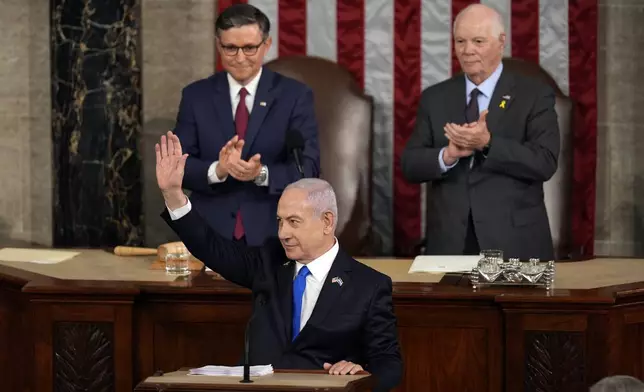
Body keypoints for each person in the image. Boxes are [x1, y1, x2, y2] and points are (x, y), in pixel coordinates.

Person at [155, 131, 403, 391]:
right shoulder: (269, 261)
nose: (283, 233)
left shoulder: (368, 286)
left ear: (327, 222)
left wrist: (361, 373)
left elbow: (389, 363)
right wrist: (174, 194)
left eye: (294, 222)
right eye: (280, 222)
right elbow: (213, 248)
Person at [401, 4, 560, 261]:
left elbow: (545, 162)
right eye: (460, 41)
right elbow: (410, 165)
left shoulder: (534, 95)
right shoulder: (435, 98)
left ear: (501, 42)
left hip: (515, 245)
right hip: (450, 245)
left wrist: (488, 144)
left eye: (478, 41)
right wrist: (447, 155)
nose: (467, 50)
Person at [173, 3, 320, 246]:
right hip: (208, 234)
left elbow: (309, 168)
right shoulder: (195, 96)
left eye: (250, 48)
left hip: (275, 233)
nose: (240, 58)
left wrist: (260, 174)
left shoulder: (294, 96)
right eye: (231, 48)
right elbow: (180, 168)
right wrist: (217, 170)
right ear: (219, 45)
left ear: (267, 45)